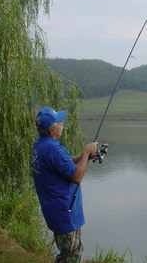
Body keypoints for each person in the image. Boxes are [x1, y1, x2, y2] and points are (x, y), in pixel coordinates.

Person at [32, 106, 98, 263]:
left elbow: (64, 164)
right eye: (59, 122)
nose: (62, 124)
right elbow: (76, 176)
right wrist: (87, 152)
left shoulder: (41, 145)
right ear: (52, 128)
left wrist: (83, 157)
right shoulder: (52, 149)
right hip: (64, 212)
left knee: (67, 252)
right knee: (71, 254)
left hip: (54, 209)